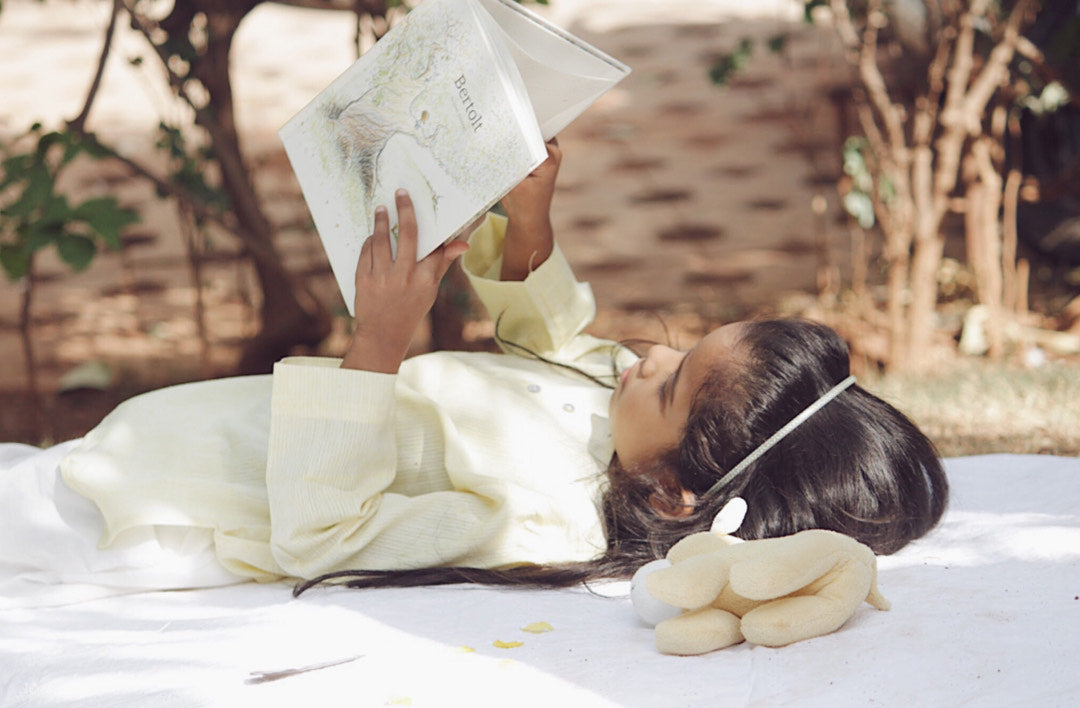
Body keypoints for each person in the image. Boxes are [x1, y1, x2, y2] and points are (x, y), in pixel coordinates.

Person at [0, 141, 946, 607]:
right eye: (680, 348)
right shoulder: (622, 428)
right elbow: (556, 348)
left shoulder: (530, 512)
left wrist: (379, 340)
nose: (645, 356)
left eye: (670, 382)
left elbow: (323, 536)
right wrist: (530, 222)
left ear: (672, 495)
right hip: (153, 445)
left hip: (154, 509)